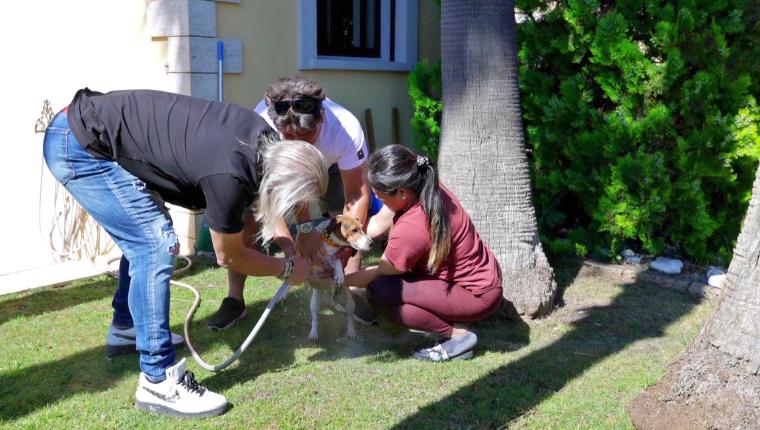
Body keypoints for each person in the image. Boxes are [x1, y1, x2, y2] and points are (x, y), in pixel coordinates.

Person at [43, 88, 327, 418]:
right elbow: (229, 256)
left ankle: (126, 327)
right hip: (80, 145)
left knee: (143, 235)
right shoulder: (229, 175)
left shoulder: (263, 141)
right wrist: (286, 270)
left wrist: (291, 250)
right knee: (154, 243)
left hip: (87, 130)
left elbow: (268, 201)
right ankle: (158, 380)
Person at [207, 76, 379, 330]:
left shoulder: (345, 129)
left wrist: (344, 249)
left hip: (329, 165)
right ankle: (235, 299)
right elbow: (265, 200)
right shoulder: (260, 126)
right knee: (247, 223)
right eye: (290, 136)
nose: (299, 143)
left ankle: (348, 289)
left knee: (342, 217)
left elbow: (355, 194)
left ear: (321, 119)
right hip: (279, 170)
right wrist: (296, 241)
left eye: (307, 135)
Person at [344, 145, 503, 361]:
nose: (376, 197)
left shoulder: (412, 227)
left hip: (476, 295)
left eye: (379, 195)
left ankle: (459, 336)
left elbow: (379, 273)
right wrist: (343, 243)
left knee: (381, 292)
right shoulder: (424, 185)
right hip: (482, 280)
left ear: (400, 192)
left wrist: (337, 281)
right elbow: (380, 221)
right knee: (387, 284)